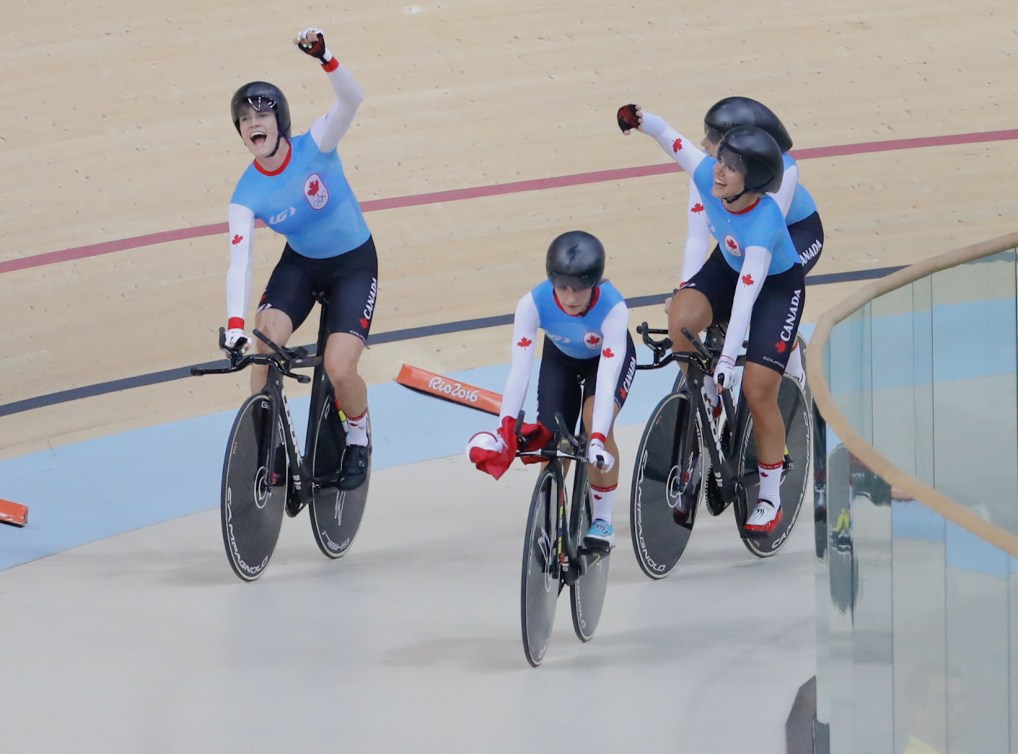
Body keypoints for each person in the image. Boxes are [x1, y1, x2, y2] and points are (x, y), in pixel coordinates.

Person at [618, 104, 804, 535]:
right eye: (721, 161)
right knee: (682, 317)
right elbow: (673, 140)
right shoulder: (708, 175)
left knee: (759, 391)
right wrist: (640, 120)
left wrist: (725, 363)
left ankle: (771, 494)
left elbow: (745, 299)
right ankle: (705, 394)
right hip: (729, 264)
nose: (718, 171)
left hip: (774, 287)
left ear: (752, 182)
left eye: (730, 168)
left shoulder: (763, 225)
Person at [222, 27, 377, 491]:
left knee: (340, 368)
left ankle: (358, 435)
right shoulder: (245, 195)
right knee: (261, 346)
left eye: (261, 112)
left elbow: (352, 99)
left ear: (279, 120)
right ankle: (267, 442)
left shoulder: (318, 144)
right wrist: (233, 325)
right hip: (302, 265)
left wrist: (326, 56)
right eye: (244, 117)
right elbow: (240, 262)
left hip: (353, 264)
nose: (253, 121)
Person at [466, 231, 636, 549]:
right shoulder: (532, 303)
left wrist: (597, 438)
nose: (570, 298)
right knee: (552, 440)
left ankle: (602, 518)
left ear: (595, 285)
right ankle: (552, 515)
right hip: (561, 359)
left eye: (580, 290)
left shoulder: (614, 307)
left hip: (605, 363)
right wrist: (505, 431)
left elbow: (609, 374)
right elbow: (520, 371)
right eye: (563, 288)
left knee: (592, 421)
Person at [683, 96, 824, 386]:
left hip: (793, 234)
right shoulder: (709, 172)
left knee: (762, 297)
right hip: (745, 237)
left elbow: (766, 239)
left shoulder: (786, 170)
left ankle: (793, 367)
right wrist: (685, 287)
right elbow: (697, 237)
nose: (702, 142)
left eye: (712, 137)